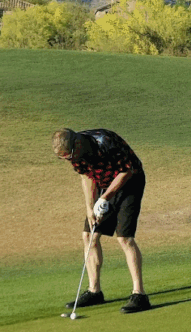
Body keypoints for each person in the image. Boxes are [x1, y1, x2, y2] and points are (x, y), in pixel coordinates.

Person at [52, 128, 151, 313]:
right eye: (64, 158)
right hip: (104, 184)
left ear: (77, 144)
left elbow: (126, 171)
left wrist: (105, 198)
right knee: (88, 235)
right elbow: (86, 176)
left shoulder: (105, 143)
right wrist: (90, 208)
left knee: (124, 238)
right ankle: (94, 291)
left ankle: (140, 295)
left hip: (131, 182)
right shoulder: (74, 154)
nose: (69, 160)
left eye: (69, 156)